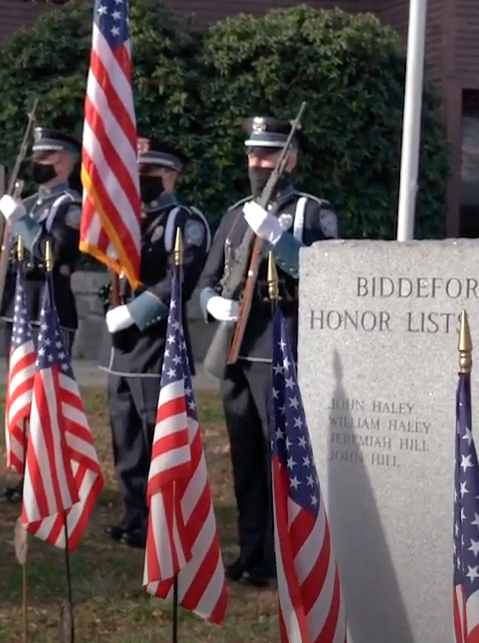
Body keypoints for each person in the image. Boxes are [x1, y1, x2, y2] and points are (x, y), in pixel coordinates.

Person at [194, 115, 339, 588]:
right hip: (237, 354)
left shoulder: (311, 214)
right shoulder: (236, 214)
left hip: (282, 355)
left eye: (269, 154)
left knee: (283, 460)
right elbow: (207, 280)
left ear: (290, 159)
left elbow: (327, 279)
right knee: (245, 460)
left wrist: (281, 239)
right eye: (253, 154)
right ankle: (251, 550)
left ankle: (286, 555)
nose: (259, 163)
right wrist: (213, 304)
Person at [98, 138, 210, 548]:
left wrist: (135, 312)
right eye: (137, 172)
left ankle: (162, 519)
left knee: (153, 432)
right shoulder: (127, 218)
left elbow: (179, 279)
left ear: (171, 175)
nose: (140, 180)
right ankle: (133, 515)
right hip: (121, 346)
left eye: (149, 173)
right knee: (125, 435)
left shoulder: (184, 221)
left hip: (156, 342)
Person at [0, 126, 83, 502]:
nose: (37, 163)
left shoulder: (69, 207)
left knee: (47, 399)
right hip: (22, 312)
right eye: (36, 156)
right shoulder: (35, 202)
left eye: (45, 157)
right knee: (23, 397)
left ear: (64, 162)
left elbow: (51, 254)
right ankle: (26, 472)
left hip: (49, 314)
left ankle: (49, 475)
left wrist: (21, 221)